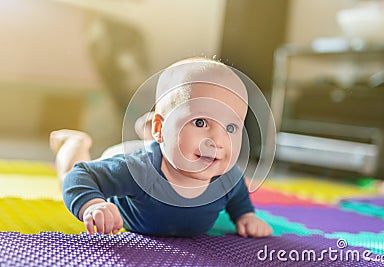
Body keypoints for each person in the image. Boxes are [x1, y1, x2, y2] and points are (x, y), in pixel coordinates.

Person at [51, 57, 273, 238]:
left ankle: (152, 130)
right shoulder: (137, 170)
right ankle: (74, 143)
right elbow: (80, 176)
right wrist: (92, 205)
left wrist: (245, 215)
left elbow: (238, 195)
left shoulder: (226, 175)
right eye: (200, 122)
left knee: (174, 145)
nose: (218, 140)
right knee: (68, 175)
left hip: (165, 144)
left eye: (231, 128)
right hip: (124, 155)